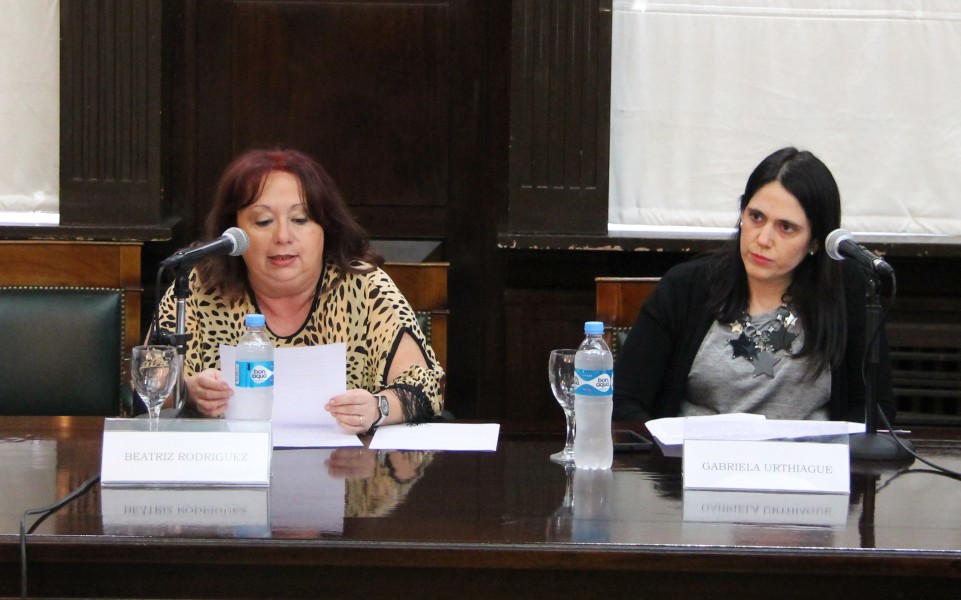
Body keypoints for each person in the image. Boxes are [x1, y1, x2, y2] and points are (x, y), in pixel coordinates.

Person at [154, 148, 445, 432]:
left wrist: (378, 408)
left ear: (325, 227)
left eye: (300, 219)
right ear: (234, 233)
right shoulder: (199, 287)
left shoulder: (365, 286)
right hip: (230, 469)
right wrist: (188, 394)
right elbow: (149, 385)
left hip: (347, 471)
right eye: (263, 221)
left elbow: (426, 388)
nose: (282, 236)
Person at [613, 147, 895, 424]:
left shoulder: (848, 292)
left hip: (806, 465)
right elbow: (625, 403)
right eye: (756, 217)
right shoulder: (686, 288)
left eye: (786, 227)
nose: (763, 238)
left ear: (815, 241)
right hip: (696, 464)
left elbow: (876, 411)